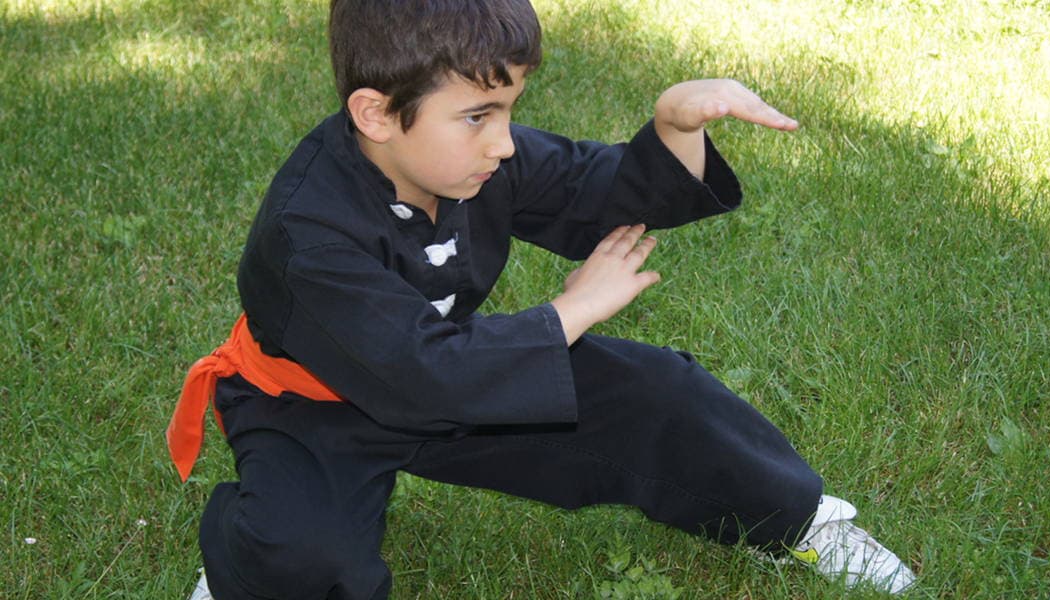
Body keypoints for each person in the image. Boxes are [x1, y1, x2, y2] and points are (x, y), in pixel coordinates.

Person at [167, 1, 917, 598]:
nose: (502, 142)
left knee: (660, 396)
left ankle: (795, 523)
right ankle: (242, 575)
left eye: (507, 110)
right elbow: (418, 372)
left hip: (464, 371)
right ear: (376, 113)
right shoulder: (308, 233)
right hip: (312, 404)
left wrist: (673, 128)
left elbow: (597, 189)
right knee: (306, 555)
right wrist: (572, 310)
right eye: (477, 116)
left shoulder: (479, 161)